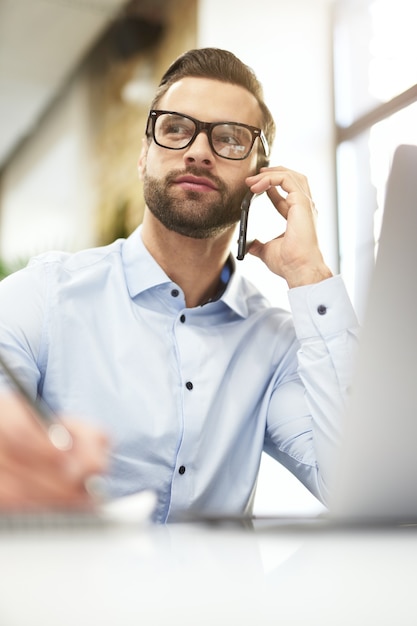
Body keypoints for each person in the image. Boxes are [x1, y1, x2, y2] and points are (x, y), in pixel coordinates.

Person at [0, 48, 359, 521]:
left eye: (230, 138)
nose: (197, 151)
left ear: (260, 176)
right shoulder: (44, 295)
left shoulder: (275, 344)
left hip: (220, 597)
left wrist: (310, 275)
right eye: (174, 129)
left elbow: (352, 486)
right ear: (144, 155)